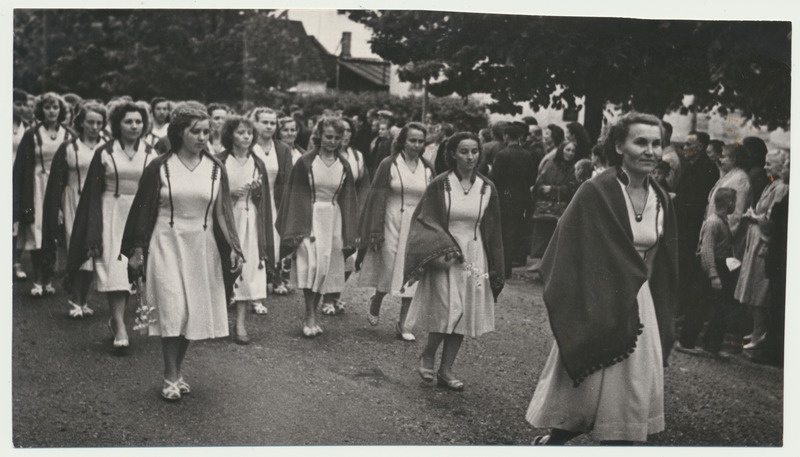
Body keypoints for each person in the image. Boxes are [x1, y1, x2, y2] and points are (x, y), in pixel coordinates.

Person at [526, 112, 678, 445]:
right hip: (597, 300)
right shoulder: (596, 190)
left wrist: (662, 315)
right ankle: (556, 440)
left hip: (639, 304)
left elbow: (661, 264)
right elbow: (564, 248)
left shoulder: (661, 198)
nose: (650, 151)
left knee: (628, 394)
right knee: (587, 387)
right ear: (619, 146)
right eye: (641, 142)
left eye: (657, 144)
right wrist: (589, 302)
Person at [121, 105, 243, 402]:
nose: (202, 137)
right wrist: (137, 250)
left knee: (191, 312)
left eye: (206, 132)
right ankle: (170, 374)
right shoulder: (159, 166)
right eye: (195, 131)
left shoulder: (216, 168)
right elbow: (142, 211)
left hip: (202, 247)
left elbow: (221, 213)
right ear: (179, 133)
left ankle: (177, 371)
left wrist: (234, 247)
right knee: (173, 307)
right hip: (166, 242)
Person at [402, 132, 504, 391]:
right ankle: (428, 354)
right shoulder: (441, 184)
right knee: (449, 308)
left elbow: (493, 230)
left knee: (464, 311)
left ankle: (446, 369)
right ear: (452, 154)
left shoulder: (487, 188)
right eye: (464, 151)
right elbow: (425, 219)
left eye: (474, 151)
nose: (470, 157)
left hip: (474, 258)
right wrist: (439, 248)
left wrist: (496, 267)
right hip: (446, 255)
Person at [65, 101, 153, 352]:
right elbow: (92, 193)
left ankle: (117, 320)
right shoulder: (105, 152)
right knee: (115, 269)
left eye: (138, 121)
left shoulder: (151, 152)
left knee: (131, 268)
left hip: (139, 215)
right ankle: (119, 323)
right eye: (128, 121)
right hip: (111, 213)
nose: (134, 126)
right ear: (117, 124)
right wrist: (93, 229)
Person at [275, 117, 360, 338]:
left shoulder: (344, 165)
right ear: (319, 136)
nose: (332, 141)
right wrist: (296, 228)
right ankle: (309, 313)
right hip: (309, 216)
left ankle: (314, 312)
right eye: (328, 136)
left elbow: (349, 198)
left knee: (325, 268)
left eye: (337, 138)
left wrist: (350, 231)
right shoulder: (305, 162)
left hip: (333, 218)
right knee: (311, 265)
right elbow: (294, 195)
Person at [356, 122, 434, 341]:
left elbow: (433, 200)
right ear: (403, 141)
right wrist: (374, 229)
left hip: (416, 224)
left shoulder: (428, 168)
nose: (416, 145)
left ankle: (403, 323)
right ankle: (377, 299)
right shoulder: (389, 164)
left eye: (420, 141)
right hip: (390, 220)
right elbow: (375, 196)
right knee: (389, 265)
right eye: (412, 140)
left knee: (412, 270)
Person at [41, 101, 107, 318]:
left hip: (97, 204)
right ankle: (76, 300)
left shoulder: (107, 146)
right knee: (77, 249)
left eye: (99, 123)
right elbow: (57, 181)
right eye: (90, 122)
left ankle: (84, 299)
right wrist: (58, 209)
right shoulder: (69, 147)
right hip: (73, 201)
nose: (94, 127)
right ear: (81, 122)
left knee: (93, 253)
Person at [216, 116, 274, 345]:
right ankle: (218, 318)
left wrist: (256, 192)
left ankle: (240, 323)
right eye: (241, 133)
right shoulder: (220, 161)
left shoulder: (257, 163)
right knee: (221, 267)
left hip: (249, 219)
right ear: (230, 135)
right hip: (224, 218)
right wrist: (229, 195)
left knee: (247, 270)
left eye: (249, 133)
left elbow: (262, 199)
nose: (246, 137)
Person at [13, 92, 76, 296]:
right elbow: (21, 165)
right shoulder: (32, 134)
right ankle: (38, 280)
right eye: (47, 107)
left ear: (61, 110)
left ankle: (49, 279)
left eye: (55, 107)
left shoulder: (69, 134)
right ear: (41, 110)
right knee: (36, 232)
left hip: (60, 187)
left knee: (54, 233)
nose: (51, 111)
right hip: (37, 186)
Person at [734, 150, 789, 352]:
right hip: (756, 239)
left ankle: (759, 332)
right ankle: (756, 330)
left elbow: (772, 218)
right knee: (751, 286)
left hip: (763, 242)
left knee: (758, 290)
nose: (765, 167)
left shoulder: (781, 188)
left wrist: (754, 217)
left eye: (769, 164)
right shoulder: (773, 184)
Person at [319, 116, 372, 314]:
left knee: (349, 256)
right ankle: (326, 297)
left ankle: (336, 293)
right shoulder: (325, 156)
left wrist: (361, 211)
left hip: (350, 210)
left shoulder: (357, 156)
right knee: (332, 254)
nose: (345, 135)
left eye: (348, 130)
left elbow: (364, 185)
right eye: (342, 131)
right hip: (329, 209)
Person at [676, 188, 737, 357]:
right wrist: (713, 274)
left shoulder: (722, 222)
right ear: (729, 203)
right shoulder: (713, 223)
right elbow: (707, 250)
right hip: (710, 267)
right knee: (699, 305)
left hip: (720, 265)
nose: (735, 205)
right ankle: (686, 341)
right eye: (734, 201)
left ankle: (712, 346)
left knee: (720, 308)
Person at [673, 130, 718, 321]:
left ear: (699, 147)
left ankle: (685, 310)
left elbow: (697, 200)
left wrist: (677, 201)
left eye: (688, 145)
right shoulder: (692, 165)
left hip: (692, 227)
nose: (684, 148)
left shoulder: (706, 168)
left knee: (688, 269)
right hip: (684, 225)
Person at [251, 107, 293, 298]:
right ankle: (252, 285)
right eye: (264, 122)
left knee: (275, 242)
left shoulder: (282, 149)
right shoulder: (249, 146)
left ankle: (275, 278)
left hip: (274, 201)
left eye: (272, 123)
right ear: (255, 123)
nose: (269, 126)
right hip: (253, 201)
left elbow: (288, 180)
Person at [489, 122, 537, 276]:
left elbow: (495, 178)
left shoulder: (502, 155)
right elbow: (532, 178)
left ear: (506, 136)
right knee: (514, 232)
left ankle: (503, 267)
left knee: (503, 233)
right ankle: (511, 264)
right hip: (521, 199)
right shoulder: (527, 155)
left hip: (505, 198)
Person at [528, 141, 580, 269]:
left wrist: (553, 189)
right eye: (568, 150)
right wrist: (542, 189)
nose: (570, 153)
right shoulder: (550, 164)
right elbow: (538, 183)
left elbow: (572, 188)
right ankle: (540, 261)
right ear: (561, 150)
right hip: (545, 206)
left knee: (555, 235)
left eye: (573, 151)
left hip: (560, 208)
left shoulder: (573, 169)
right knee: (542, 234)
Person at [704, 144, 752, 258]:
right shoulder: (731, 175)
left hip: (723, 240)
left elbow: (736, 212)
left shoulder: (740, 179)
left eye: (723, 156)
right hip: (716, 232)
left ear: (734, 159)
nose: (720, 160)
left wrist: (723, 237)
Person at [12, 103, 30, 281]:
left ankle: (15, 261)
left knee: (16, 220)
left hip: (18, 177)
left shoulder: (27, 127)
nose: (19, 107)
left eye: (22, 104)